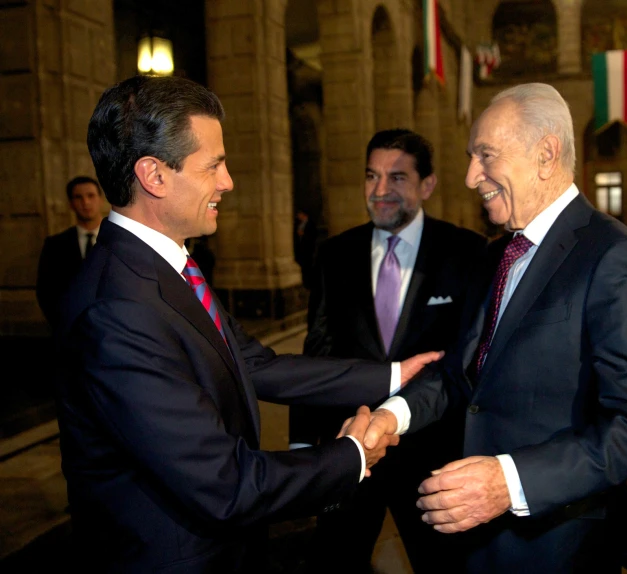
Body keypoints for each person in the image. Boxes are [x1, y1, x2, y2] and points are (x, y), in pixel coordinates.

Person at [53, 75, 440, 573]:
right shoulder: (117, 309)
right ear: (154, 175)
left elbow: (256, 363)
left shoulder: (167, 269)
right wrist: (352, 456)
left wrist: (392, 375)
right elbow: (225, 483)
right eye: (213, 164)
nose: (228, 181)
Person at [361, 83, 627, 573]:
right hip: (476, 540)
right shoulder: (496, 257)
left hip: (559, 544)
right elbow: (460, 377)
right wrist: (391, 417)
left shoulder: (615, 256)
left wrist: (510, 482)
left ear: (546, 154)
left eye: (486, 155)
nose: (470, 177)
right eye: (470, 157)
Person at [289, 129, 487, 572]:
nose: (380, 191)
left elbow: (469, 362)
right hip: (351, 449)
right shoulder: (335, 255)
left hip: (435, 459)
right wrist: (303, 443)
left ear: (427, 185)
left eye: (397, 178)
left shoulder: (467, 253)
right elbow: (316, 353)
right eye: (371, 176)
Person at [36, 176, 104, 328]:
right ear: (71, 204)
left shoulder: (118, 241)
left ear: (100, 199)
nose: (85, 203)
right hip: (70, 333)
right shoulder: (54, 245)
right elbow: (46, 292)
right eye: (78, 197)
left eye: (91, 196)